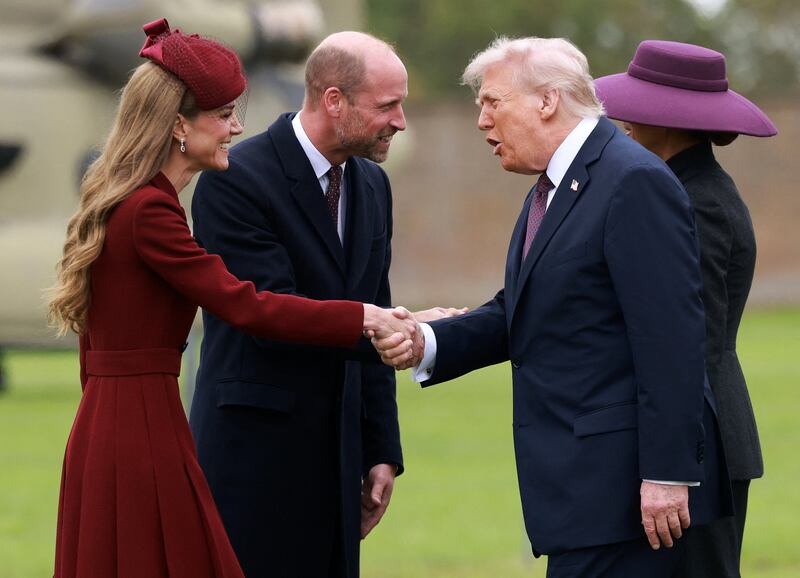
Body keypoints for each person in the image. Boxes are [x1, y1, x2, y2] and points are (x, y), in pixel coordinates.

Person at [46, 19, 413, 578]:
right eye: (221, 116)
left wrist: (378, 440)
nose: (235, 129)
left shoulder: (137, 203)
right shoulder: (152, 210)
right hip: (145, 429)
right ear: (176, 126)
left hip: (119, 423)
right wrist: (369, 317)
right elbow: (248, 305)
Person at [376, 37, 732, 576]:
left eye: (492, 102)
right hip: (584, 498)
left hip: (631, 501)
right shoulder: (556, 184)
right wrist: (430, 341)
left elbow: (672, 339)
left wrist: (666, 474)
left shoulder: (631, 181)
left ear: (547, 101)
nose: (481, 121)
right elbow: (525, 310)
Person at [188, 30, 463, 578]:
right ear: (333, 100)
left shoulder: (372, 184)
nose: (402, 121)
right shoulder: (235, 180)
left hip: (339, 462)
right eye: (388, 105)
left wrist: (381, 448)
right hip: (255, 462)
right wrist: (392, 325)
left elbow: (375, 299)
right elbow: (269, 315)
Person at [594, 39, 775, 578]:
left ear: (670, 117)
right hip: (695, 436)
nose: (623, 118)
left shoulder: (695, 200)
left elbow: (681, 337)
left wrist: (673, 462)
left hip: (703, 442)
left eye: (639, 103)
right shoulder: (679, 187)